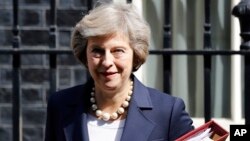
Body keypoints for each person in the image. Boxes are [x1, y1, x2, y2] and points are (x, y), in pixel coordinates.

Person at [45, 2, 194, 141]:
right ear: (85, 54)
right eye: (97, 51)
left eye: (118, 51)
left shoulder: (168, 112)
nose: (107, 62)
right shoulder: (60, 105)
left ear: (135, 54)